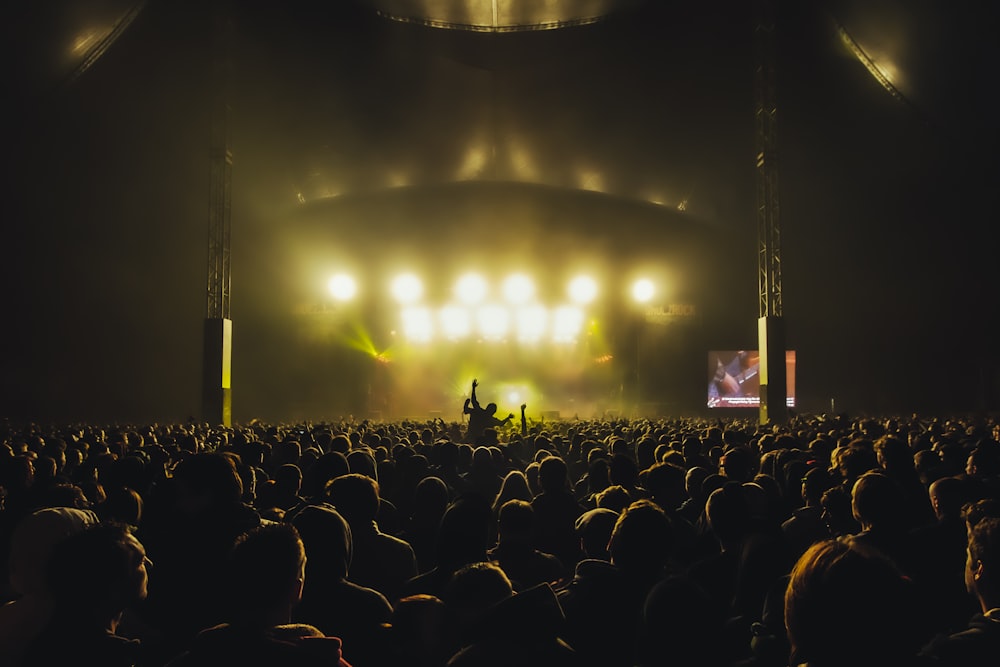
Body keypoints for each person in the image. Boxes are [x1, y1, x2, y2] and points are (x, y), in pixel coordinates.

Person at [463, 379, 513, 445]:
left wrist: (473, 388)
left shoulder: (479, 411)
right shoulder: (491, 420)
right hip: (484, 442)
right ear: (494, 412)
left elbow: (474, 401)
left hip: (471, 438)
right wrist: (508, 418)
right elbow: (501, 423)